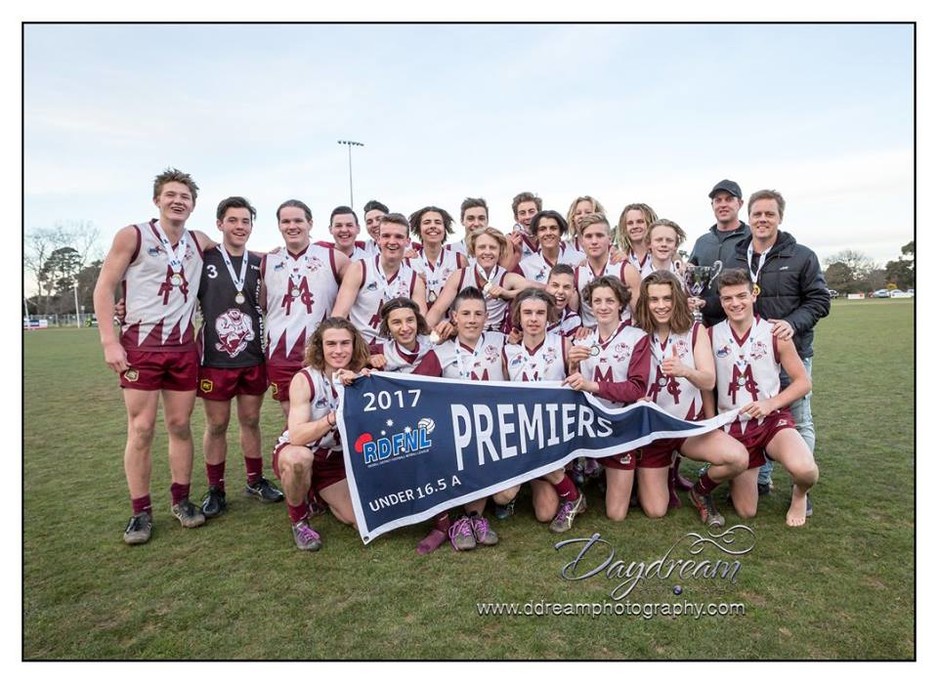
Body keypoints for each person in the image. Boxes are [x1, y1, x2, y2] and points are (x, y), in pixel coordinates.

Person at [93, 168, 216, 544]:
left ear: (193, 205)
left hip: (182, 348)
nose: (178, 201)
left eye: (185, 197)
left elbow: (237, 254)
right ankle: (140, 511)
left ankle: (181, 499)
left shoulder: (199, 241)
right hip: (140, 348)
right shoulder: (133, 235)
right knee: (142, 428)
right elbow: (104, 288)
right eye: (171, 195)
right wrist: (109, 342)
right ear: (157, 200)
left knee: (180, 425)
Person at [729, 189, 830, 498]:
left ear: (779, 218)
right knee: (759, 414)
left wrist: (791, 323)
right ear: (748, 218)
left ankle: (802, 488)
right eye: (757, 214)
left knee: (798, 420)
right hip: (751, 356)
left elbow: (820, 300)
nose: (762, 219)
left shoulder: (801, 255)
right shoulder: (736, 255)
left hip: (792, 350)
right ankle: (761, 478)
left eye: (769, 214)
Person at [632, 271, 748, 525]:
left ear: (677, 299)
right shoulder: (635, 333)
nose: (660, 306)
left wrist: (685, 370)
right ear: (645, 302)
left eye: (667, 298)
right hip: (652, 431)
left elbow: (708, 380)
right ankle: (668, 471)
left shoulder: (695, 330)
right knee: (655, 510)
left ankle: (700, 491)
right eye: (654, 299)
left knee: (738, 458)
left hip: (687, 427)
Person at [709, 269, 819, 527]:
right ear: (721, 301)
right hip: (734, 425)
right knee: (746, 511)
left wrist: (770, 403)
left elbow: (803, 382)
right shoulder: (710, 335)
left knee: (805, 469)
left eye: (741, 296)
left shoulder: (775, 332)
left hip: (771, 420)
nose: (735, 303)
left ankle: (799, 494)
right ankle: (735, 471)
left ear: (753, 295)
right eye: (727, 299)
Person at [197, 196, 283, 518]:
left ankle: (255, 480)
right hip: (214, 358)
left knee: (250, 420)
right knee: (217, 424)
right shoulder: (203, 259)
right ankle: (216, 488)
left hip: (251, 354)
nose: (239, 227)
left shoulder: (262, 262)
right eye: (232, 220)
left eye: (245, 221)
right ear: (220, 224)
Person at [412, 287, 504, 552]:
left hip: (492, 432)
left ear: (487, 317)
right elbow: (413, 387)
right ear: (454, 317)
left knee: (486, 459)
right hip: (454, 433)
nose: (472, 320)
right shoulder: (440, 353)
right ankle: (449, 522)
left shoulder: (502, 343)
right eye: (466, 313)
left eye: (478, 314)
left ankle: (472, 518)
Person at [272, 318, 370, 551]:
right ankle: (299, 520)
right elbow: (296, 436)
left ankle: (317, 496)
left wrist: (365, 384)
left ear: (354, 344)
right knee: (299, 460)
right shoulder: (305, 379)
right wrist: (332, 418)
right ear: (320, 346)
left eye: (345, 343)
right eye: (331, 344)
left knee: (359, 520)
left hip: (335, 460)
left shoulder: (361, 376)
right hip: (303, 450)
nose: (338, 351)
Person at [494, 289, 587, 533]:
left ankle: (569, 495)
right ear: (518, 316)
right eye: (527, 313)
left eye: (539, 313)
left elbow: (578, 390)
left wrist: (576, 367)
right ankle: (569, 493)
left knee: (545, 513)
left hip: (553, 436)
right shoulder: (508, 351)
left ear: (549, 317)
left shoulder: (564, 345)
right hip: (519, 435)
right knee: (502, 496)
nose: (533, 319)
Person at [562, 276, 650, 521]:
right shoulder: (583, 339)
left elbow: (636, 389)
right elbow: (573, 386)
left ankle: (616, 473)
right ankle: (586, 472)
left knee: (616, 514)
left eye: (609, 300)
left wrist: (591, 385)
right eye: (597, 300)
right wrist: (572, 366)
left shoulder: (637, 337)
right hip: (591, 426)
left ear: (621, 303)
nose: (603, 306)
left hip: (621, 426)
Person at [263, 199, 351, 417]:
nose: (292, 226)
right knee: (293, 418)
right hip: (280, 352)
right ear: (279, 226)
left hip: (324, 350)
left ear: (310, 223)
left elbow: (360, 285)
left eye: (298, 220)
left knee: (332, 413)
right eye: (286, 221)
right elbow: (263, 304)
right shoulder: (267, 261)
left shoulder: (334, 257)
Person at [332, 212, 427, 344]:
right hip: (361, 349)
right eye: (386, 236)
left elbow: (420, 324)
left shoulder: (414, 280)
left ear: (407, 242)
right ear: (378, 239)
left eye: (399, 237)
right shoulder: (359, 268)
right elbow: (338, 316)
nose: (392, 242)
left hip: (397, 350)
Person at [426, 227, 540, 336]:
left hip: (493, 342)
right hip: (462, 336)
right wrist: (425, 331)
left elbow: (542, 290)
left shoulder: (507, 277)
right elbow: (438, 309)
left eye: (493, 247)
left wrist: (507, 293)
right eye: (482, 247)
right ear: (473, 250)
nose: (487, 252)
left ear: (500, 251)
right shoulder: (460, 276)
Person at [687, 179, 750, 326]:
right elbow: (690, 274)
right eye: (718, 200)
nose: (723, 205)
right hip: (706, 321)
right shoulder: (702, 242)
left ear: (740, 204)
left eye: (729, 199)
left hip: (741, 320)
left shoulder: (752, 238)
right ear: (712, 205)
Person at [573, 213, 641, 327]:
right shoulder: (576, 273)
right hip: (589, 339)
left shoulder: (626, 270)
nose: (594, 241)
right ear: (582, 241)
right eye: (589, 236)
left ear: (609, 239)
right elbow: (571, 318)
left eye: (599, 235)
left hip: (623, 338)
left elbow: (640, 316)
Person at [408, 206, 467, 305]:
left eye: (438, 222)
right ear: (419, 228)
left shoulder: (459, 260)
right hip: (419, 319)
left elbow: (468, 298)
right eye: (427, 222)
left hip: (452, 319)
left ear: (445, 228)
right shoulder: (408, 262)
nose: (433, 226)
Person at [369, 298, 436, 374]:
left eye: (410, 320)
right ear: (387, 326)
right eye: (397, 322)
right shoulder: (378, 352)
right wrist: (368, 361)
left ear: (418, 321)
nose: (405, 328)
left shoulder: (433, 349)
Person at [518, 210, 581, 285]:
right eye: (542, 229)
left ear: (560, 232)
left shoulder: (579, 259)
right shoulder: (525, 266)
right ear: (536, 233)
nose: (548, 233)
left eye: (553, 228)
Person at [615, 203, 658, 276]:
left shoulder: (661, 255)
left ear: (650, 223)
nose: (635, 226)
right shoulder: (620, 259)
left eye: (640, 221)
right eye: (630, 223)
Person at [506, 191, 542, 269]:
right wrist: (517, 253)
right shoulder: (510, 239)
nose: (527, 217)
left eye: (531, 212)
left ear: (540, 214)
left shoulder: (548, 237)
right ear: (516, 218)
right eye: (522, 213)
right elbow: (504, 274)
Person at [544, 264, 582, 338]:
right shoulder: (533, 313)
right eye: (555, 285)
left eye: (566, 287)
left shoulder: (573, 320)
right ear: (547, 287)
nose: (560, 291)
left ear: (573, 292)